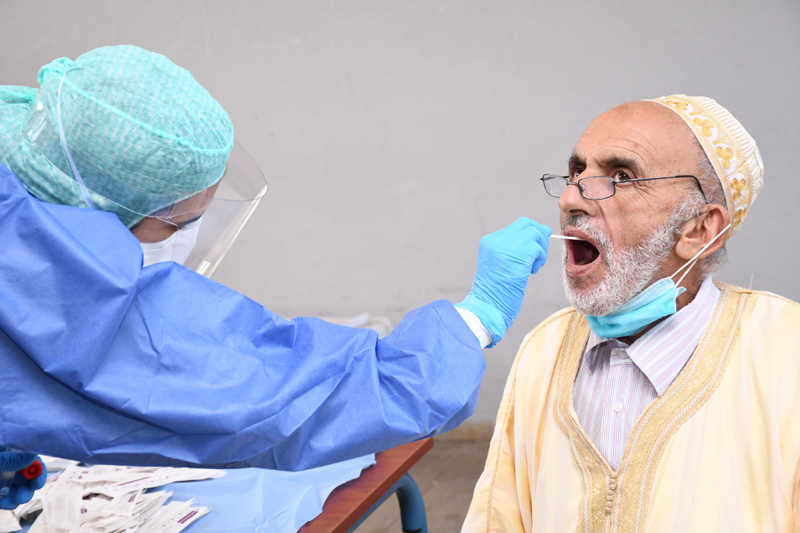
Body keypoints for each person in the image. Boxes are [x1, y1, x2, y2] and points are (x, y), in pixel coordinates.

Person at [0, 45, 552, 504]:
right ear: (100, 200)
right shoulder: (66, 292)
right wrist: (475, 319)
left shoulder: (28, 176)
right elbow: (282, 400)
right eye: (176, 223)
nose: (183, 240)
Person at [462, 95, 800, 532]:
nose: (569, 198)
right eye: (577, 172)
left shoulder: (786, 353)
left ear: (700, 230)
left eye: (621, 175)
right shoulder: (542, 350)